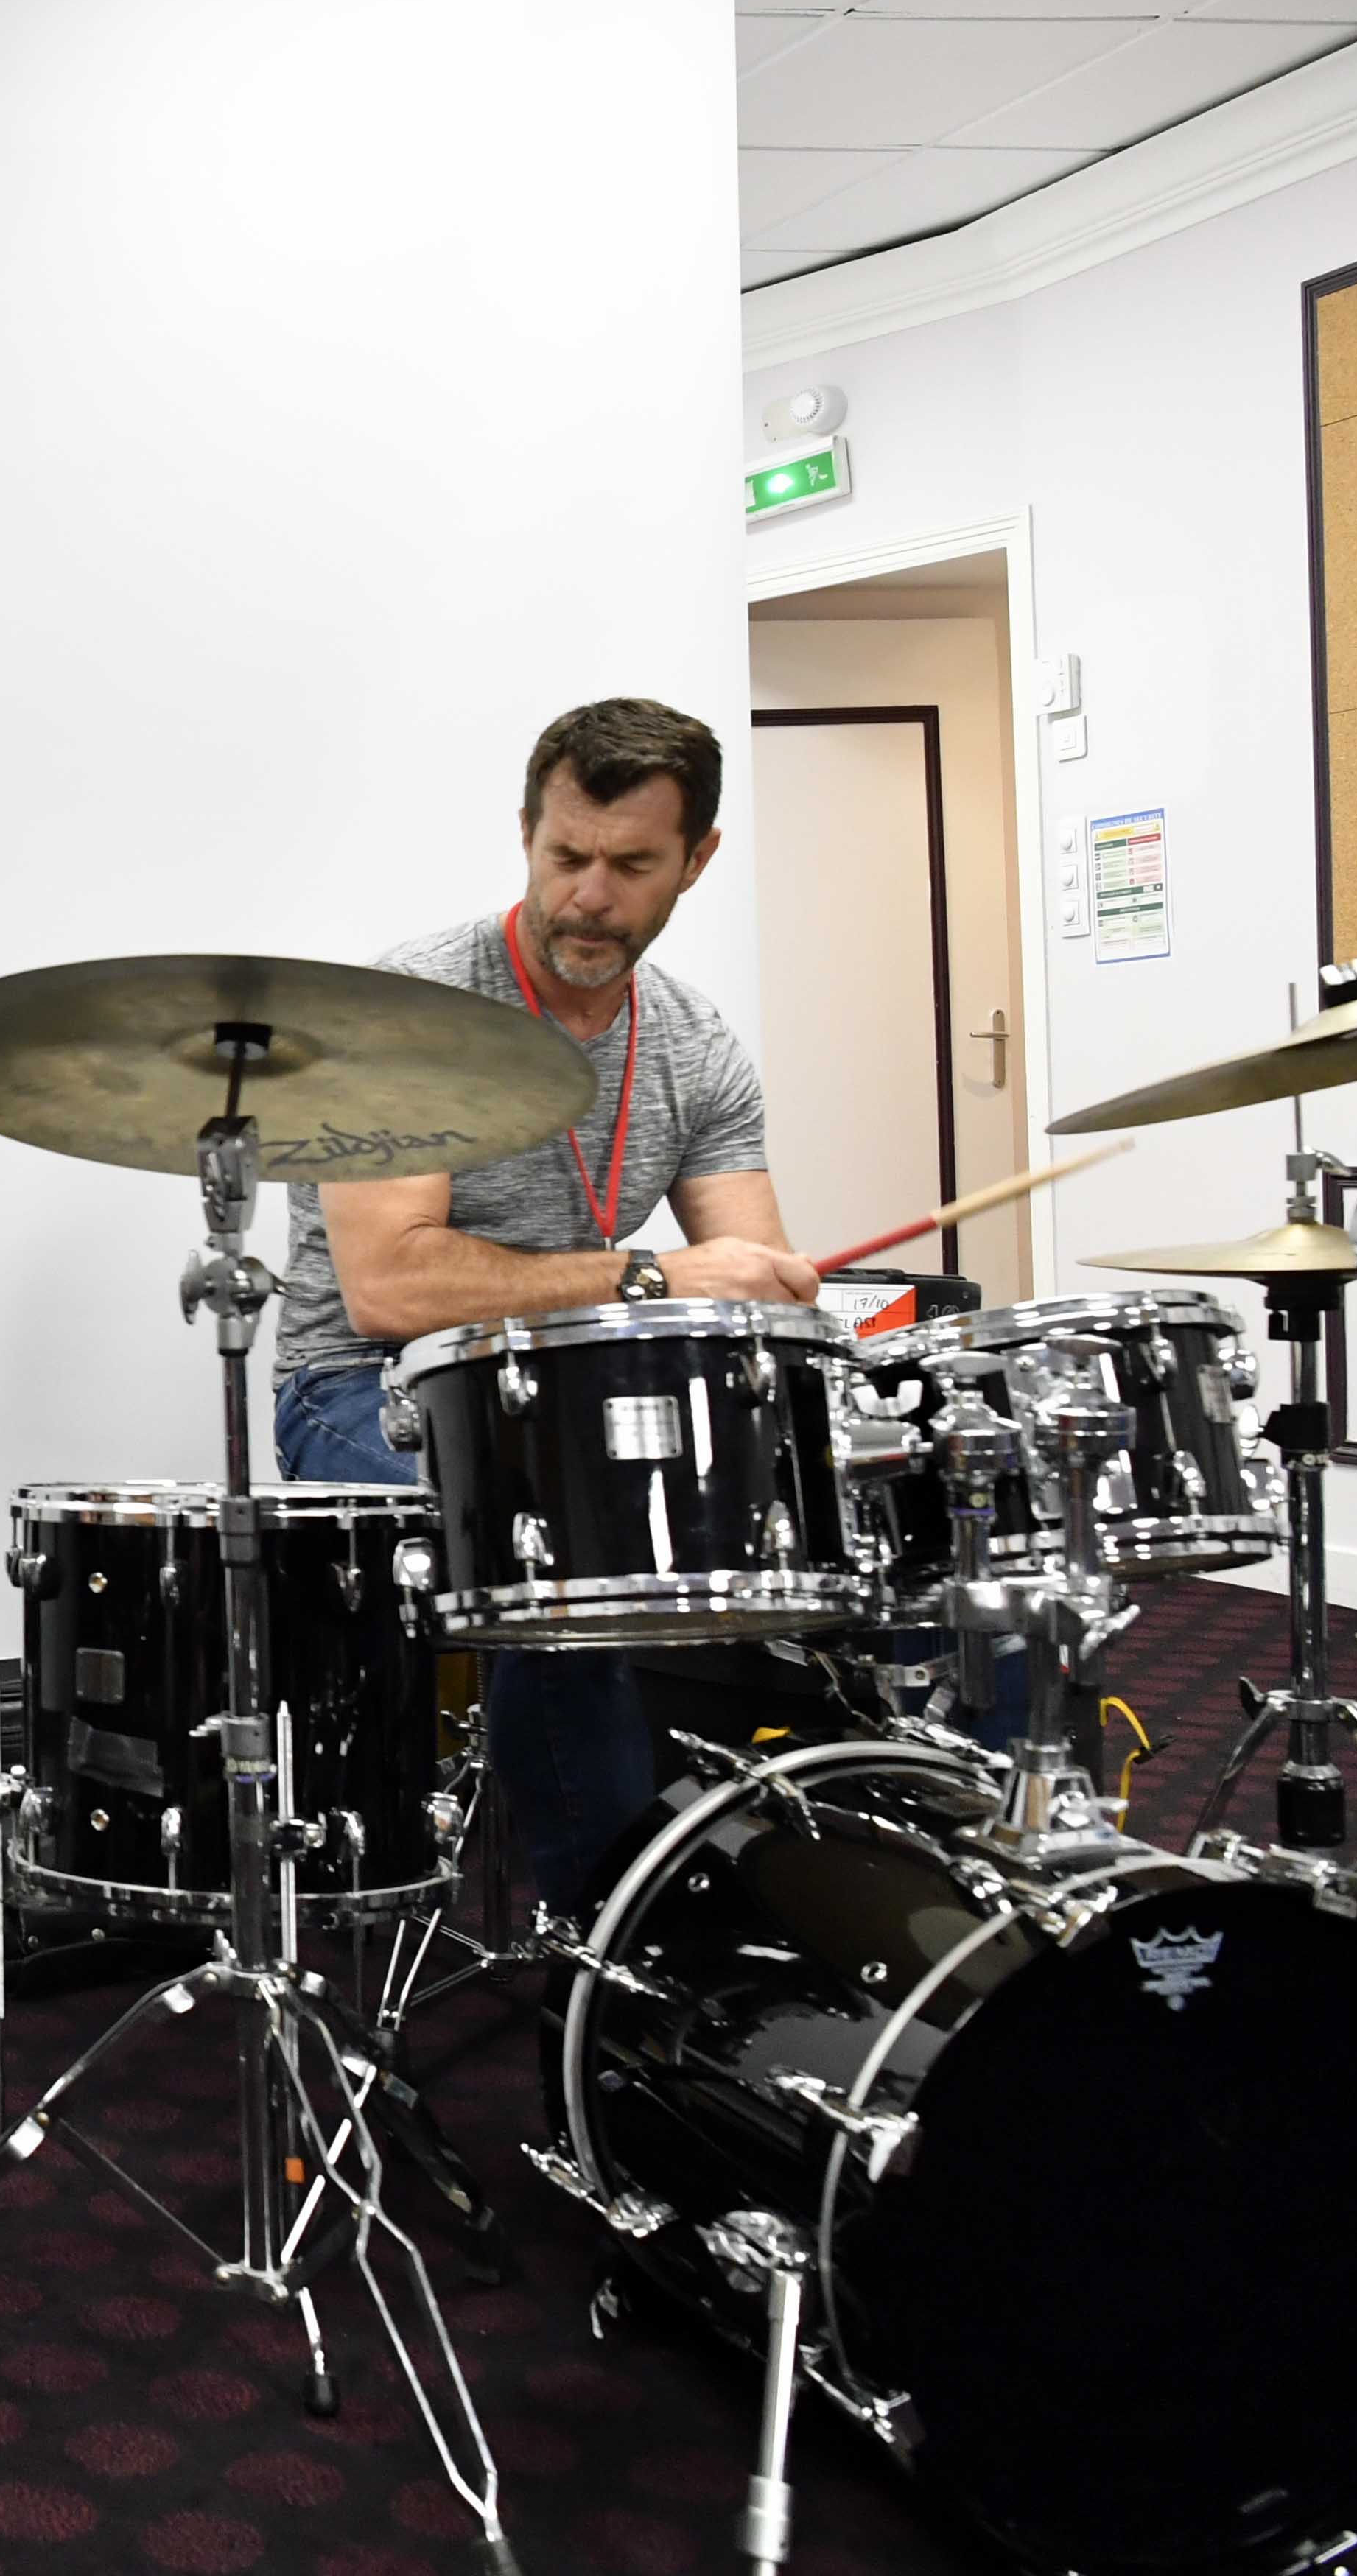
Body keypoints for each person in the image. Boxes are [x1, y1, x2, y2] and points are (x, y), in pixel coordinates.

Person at [270, 699, 819, 1917]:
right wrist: (652, 1276)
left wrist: (771, 1291)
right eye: (568, 856)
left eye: (634, 865)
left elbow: (748, 1272)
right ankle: (610, 1939)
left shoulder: (697, 1046)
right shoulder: (410, 1014)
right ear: (526, 833)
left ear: (697, 859)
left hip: (577, 1394)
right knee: (559, 1537)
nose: (590, 897)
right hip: (366, 1392)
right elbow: (388, 1286)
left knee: (905, 1525)